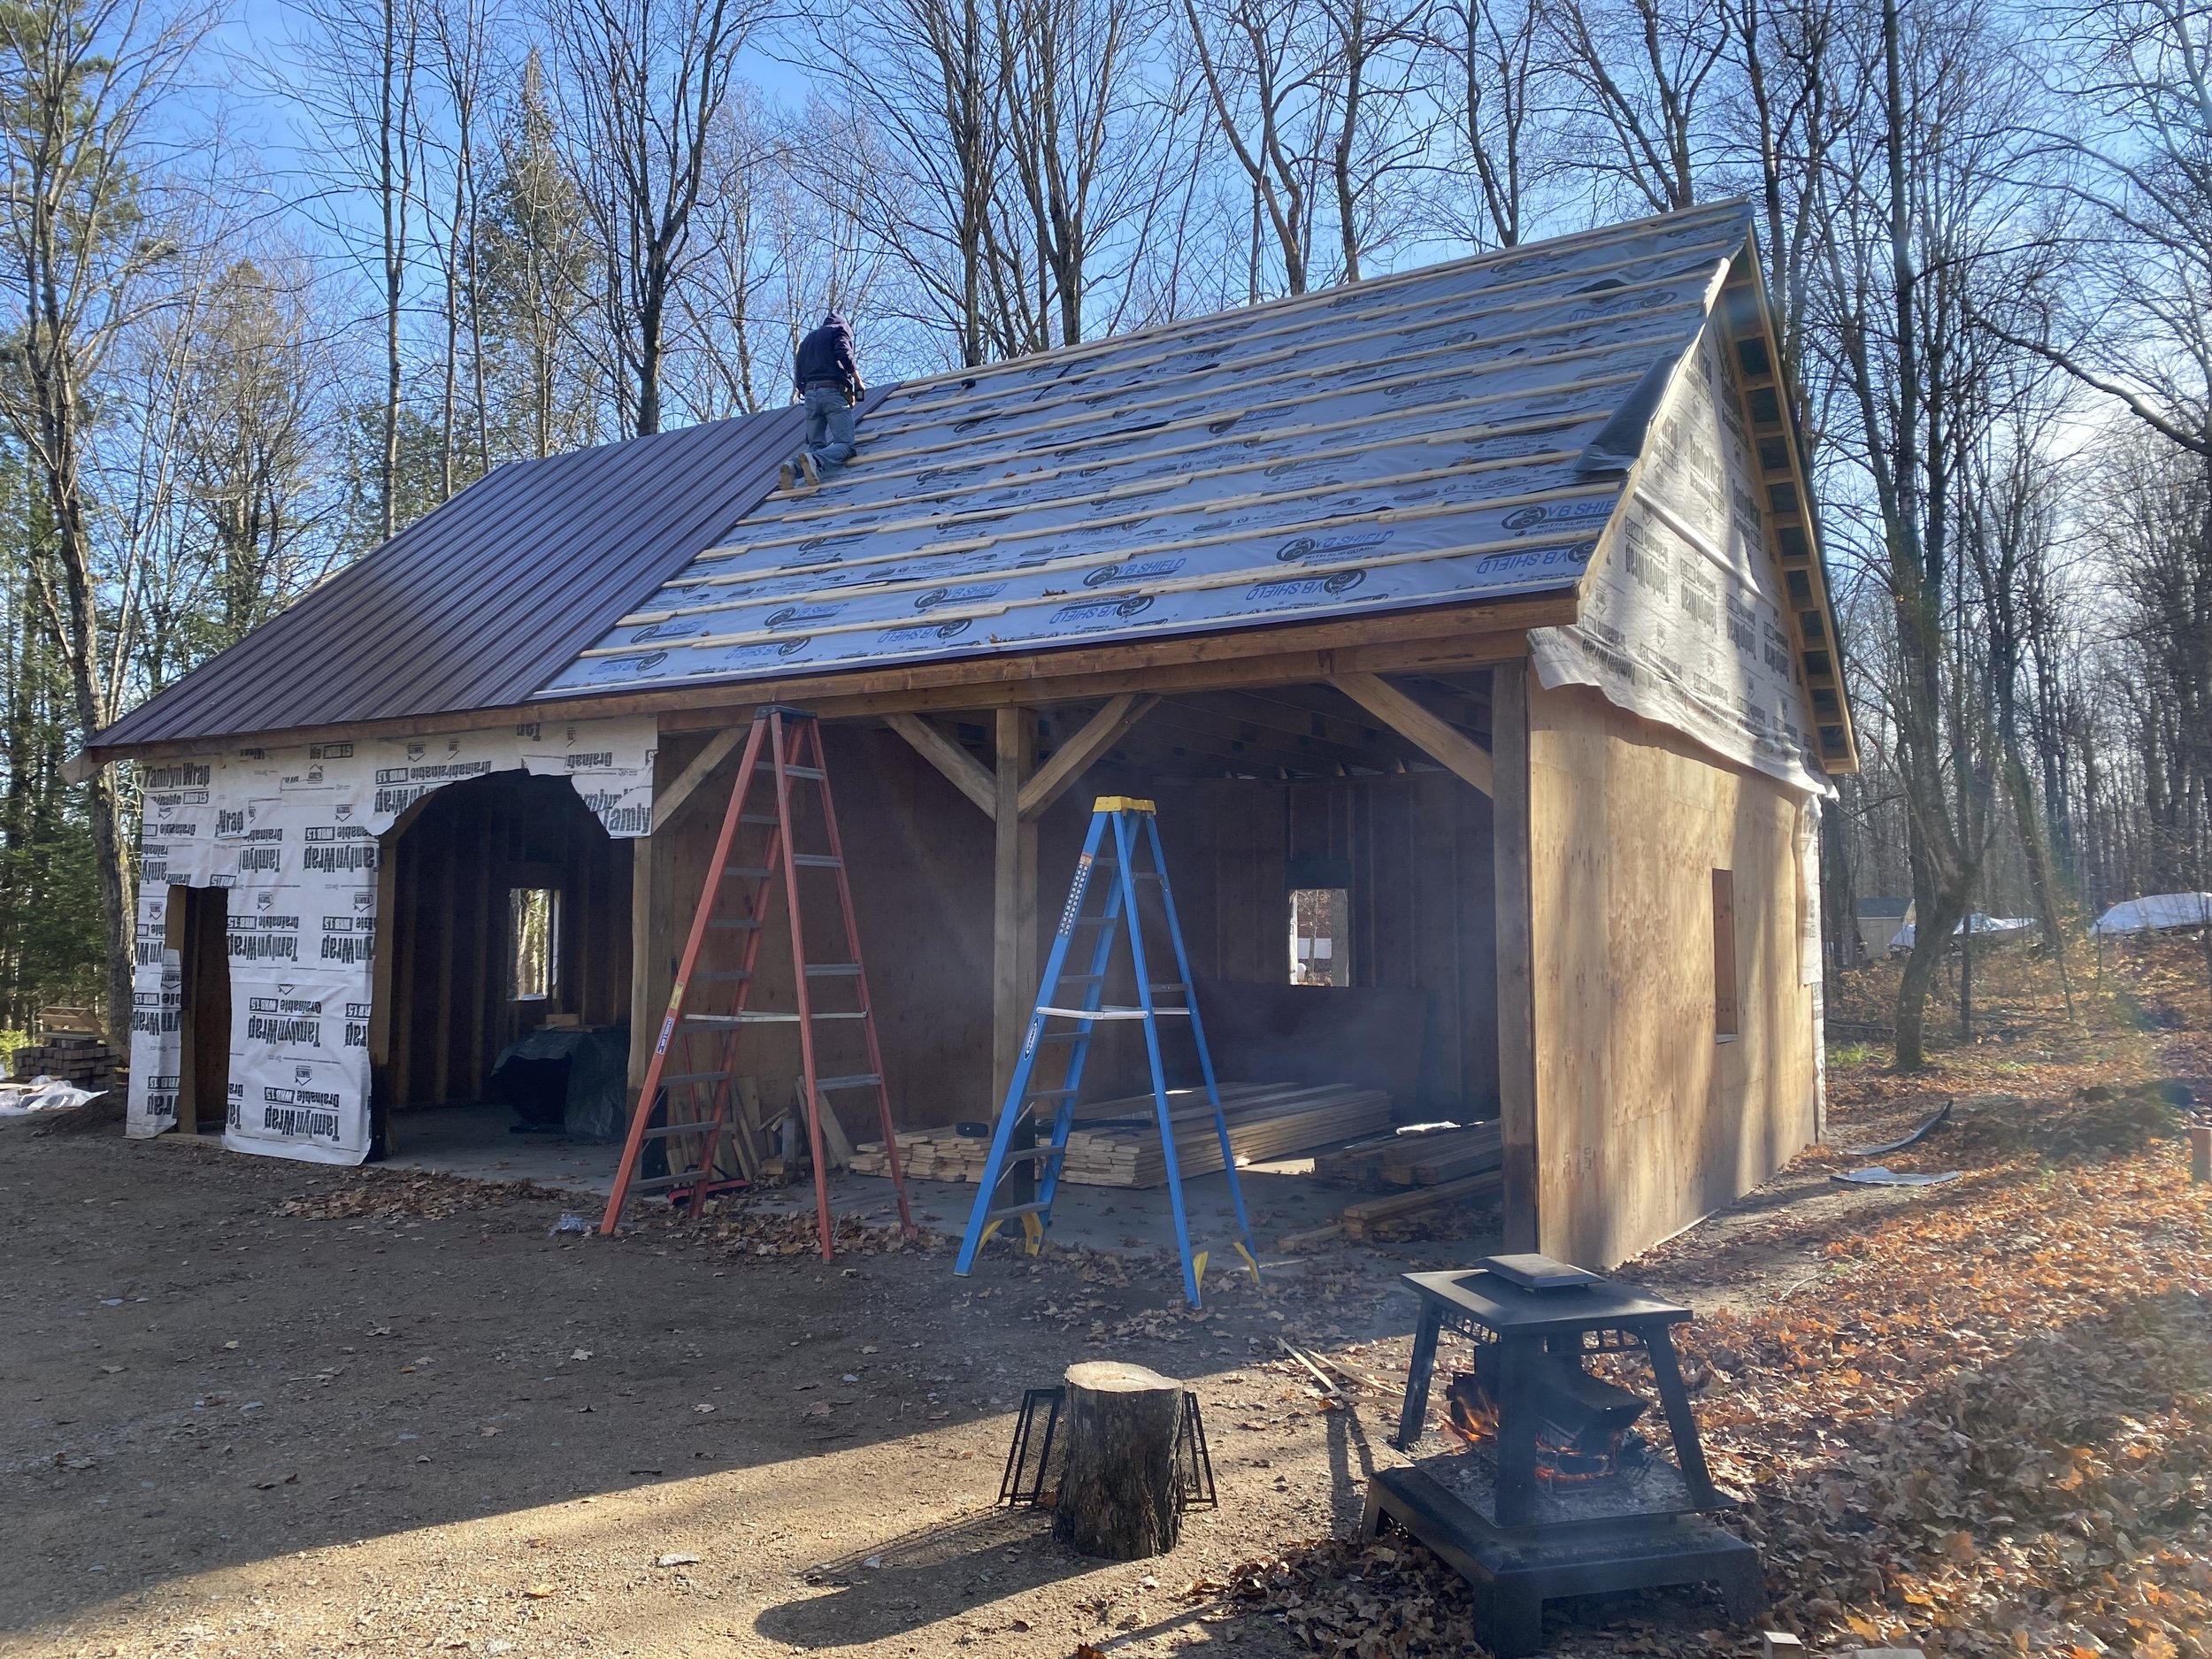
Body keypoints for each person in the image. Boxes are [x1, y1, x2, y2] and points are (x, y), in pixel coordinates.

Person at [780, 311, 867, 490]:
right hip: (832, 390)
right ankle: (816, 460)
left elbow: (798, 373)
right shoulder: (839, 330)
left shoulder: (807, 341)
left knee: (816, 444)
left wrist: (806, 390)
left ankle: (793, 466)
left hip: (810, 395)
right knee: (845, 444)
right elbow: (843, 352)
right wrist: (857, 381)